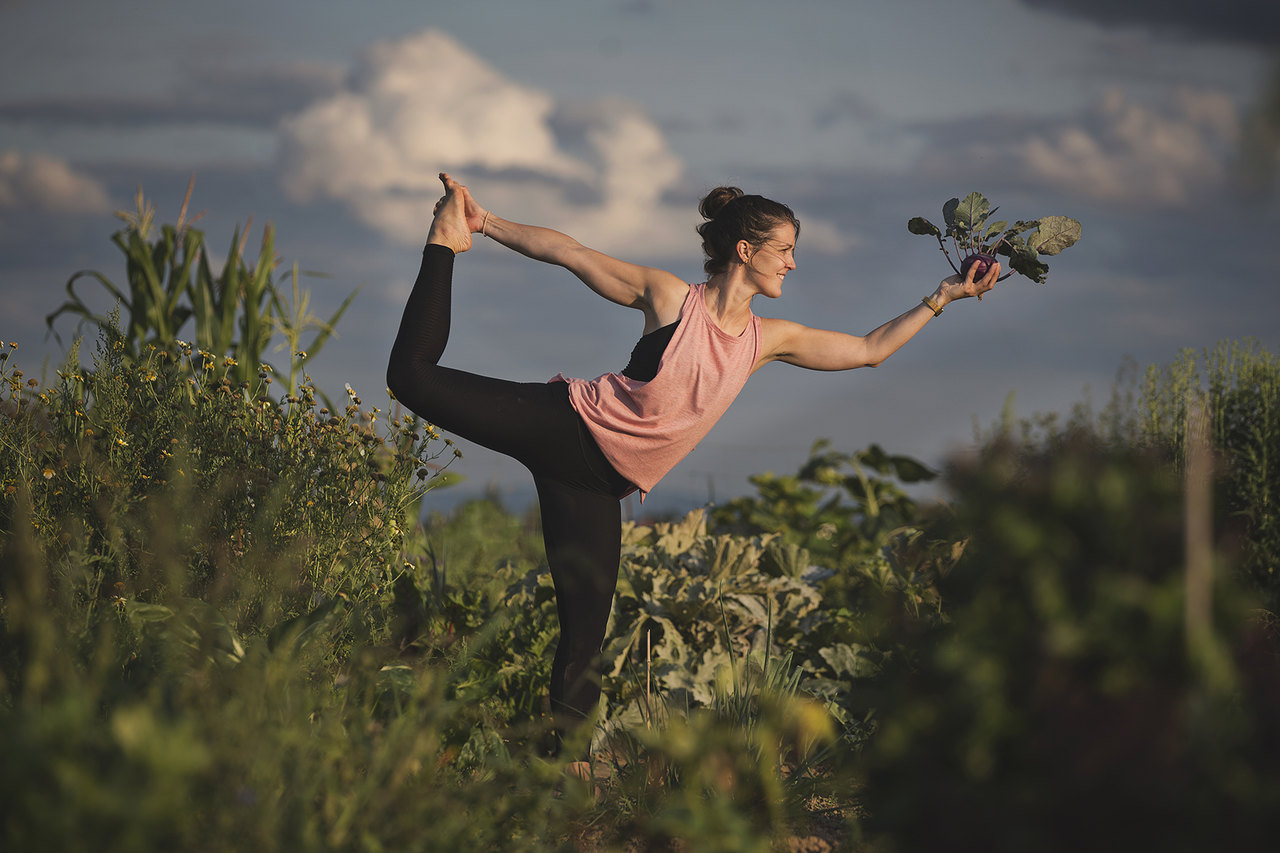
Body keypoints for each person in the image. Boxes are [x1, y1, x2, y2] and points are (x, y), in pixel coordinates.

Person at [386, 172, 998, 759]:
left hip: (598, 485)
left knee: (584, 633)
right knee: (411, 377)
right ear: (745, 249)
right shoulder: (672, 299)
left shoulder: (768, 340)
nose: (792, 262)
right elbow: (571, 253)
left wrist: (943, 297)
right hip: (564, 424)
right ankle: (444, 242)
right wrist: (483, 221)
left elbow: (869, 351)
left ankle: (561, 770)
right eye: (783, 249)